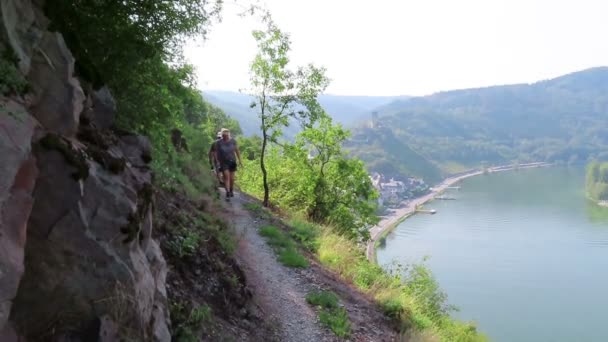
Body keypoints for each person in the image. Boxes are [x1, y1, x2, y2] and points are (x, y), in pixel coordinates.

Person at [214, 128, 243, 199]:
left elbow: (237, 151)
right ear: (222, 135)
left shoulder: (233, 141)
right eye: (224, 135)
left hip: (232, 161)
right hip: (223, 162)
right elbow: (216, 152)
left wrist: (240, 161)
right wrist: (217, 161)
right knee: (226, 177)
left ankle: (231, 190)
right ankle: (227, 192)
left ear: (228, 135)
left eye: (226, 135)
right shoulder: (218, 142)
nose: (225, 137)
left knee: (232, 178)